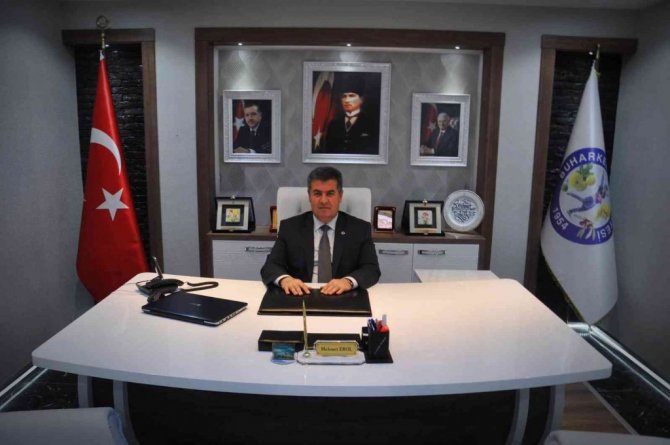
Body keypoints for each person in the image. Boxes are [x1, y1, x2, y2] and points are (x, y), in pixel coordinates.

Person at [261, 166, 380, 296]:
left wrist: (348, 282)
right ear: (309, 196)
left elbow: (371, 269)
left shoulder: (360, 229)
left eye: (330, 193)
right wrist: (285, 280)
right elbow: (271, 266)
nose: (323, 200)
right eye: (317, 194)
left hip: (344, 295)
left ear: (340, 196)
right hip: (301, 294)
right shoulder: (290, 227)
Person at [323, 74, 378, 155]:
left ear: (362, 99)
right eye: (344, 96)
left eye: (351, 96)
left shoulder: (371, 124)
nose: (346, 100)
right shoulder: (333, 124)